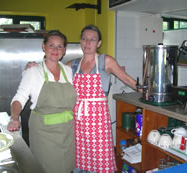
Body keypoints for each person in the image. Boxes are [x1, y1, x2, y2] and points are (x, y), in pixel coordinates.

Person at [70, 24, 138, 173]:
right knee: (78, 161)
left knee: (100, 161)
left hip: (98, 123)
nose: (87, 43)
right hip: (77, 122)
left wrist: (148, 91)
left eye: (92, 40)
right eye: (84, 39)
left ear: (98, 43)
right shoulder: (73, 64)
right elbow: (52, 72)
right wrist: (36, 66)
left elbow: (127, 79)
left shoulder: (105, 61)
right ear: (80, 41)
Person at [7, 30, 77, 173]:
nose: (55, 50)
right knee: (45, 168)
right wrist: (14, 118)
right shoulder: (34, 71)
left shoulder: (69, 71)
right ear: (43, 47)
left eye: (59, 46)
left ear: (64, 51)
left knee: (65, 168)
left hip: (67, 131)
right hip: (44, 133)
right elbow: (19, 98)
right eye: (51, 45)